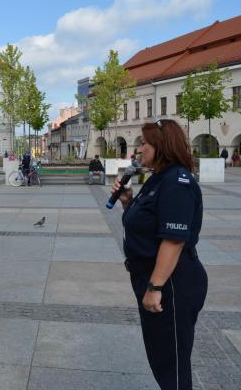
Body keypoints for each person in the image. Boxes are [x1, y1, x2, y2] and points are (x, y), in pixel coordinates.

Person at [110, 119, 207, 389]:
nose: (139, 149)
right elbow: (148, 226)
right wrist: (128, 202)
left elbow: (173, 241)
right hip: (154, 277)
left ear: (161, 146)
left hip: (172, 283)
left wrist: (155, 287)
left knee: (172, 367)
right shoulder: (158, 179)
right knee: (162, 358)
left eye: (144, 143)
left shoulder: (177, 182)